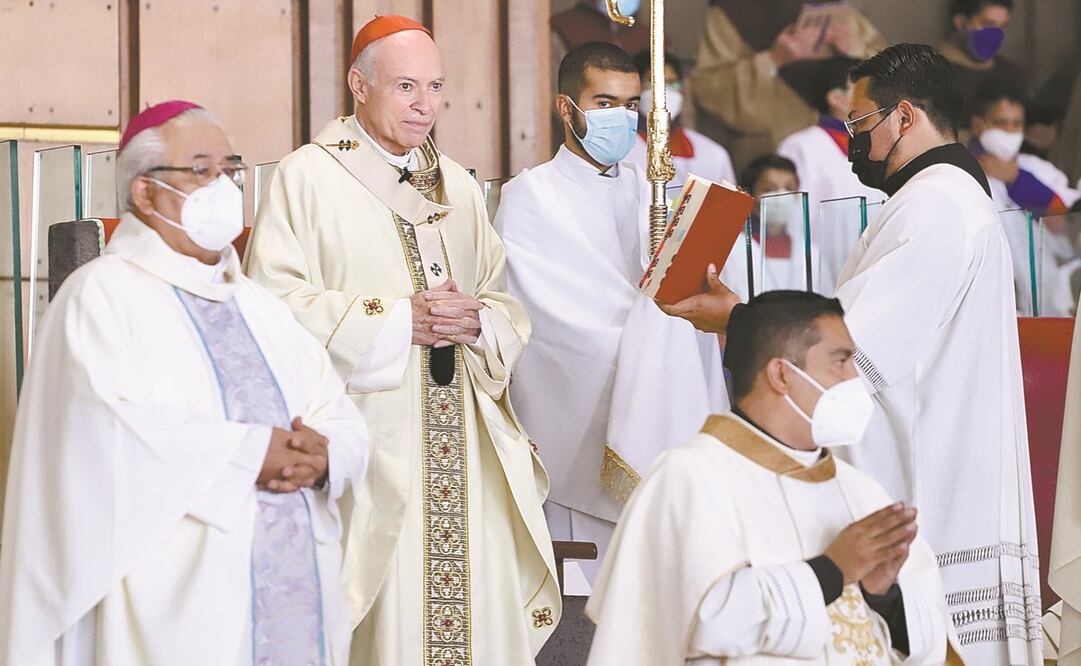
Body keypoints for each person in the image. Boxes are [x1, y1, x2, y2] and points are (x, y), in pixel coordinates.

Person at [658, 44, 1042, 664]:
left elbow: (847, 356)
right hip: (942, 457)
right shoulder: (940, 199)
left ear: (907, 117)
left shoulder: (937, 205)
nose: (851, 141)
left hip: (930, 483)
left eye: (860, 125)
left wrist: (736, 318)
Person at [0, 101, 370, 665]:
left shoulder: (258, 304)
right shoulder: (99, 296)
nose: (221, 187)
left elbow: (336, 410)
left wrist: (324, 456)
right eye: (200, 170)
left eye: (228, 169)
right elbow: (101, 434)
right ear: (145, 193)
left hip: (298, 605)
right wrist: (253, 452)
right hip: (181, 610)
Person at [243, 16, 560, 665]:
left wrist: (476, 322)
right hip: (372, 439)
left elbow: (502, 302)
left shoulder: (459, 187)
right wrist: (393, 322)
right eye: (406, 86)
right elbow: (269, 306)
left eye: (436, 87)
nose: (426, 105)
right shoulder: (309, 177)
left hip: (465, 447)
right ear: (358, 85)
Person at [586, 290, 954, 665]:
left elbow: (930, 644)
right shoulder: (689, 478)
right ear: (781, 374)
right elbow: (699, 621)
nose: (854, 378)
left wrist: (883, 596)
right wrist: (832, 570)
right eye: (840, 361)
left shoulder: (862, 492)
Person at [494, 42, 727, 585]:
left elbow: (670, 298)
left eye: (630, 104)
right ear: (565, 108)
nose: (621, 118)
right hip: (585, 420)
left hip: (658, 389)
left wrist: (696, 302)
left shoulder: (651, 192)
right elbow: (548, 322)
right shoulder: (530, 197)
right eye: (603, 102)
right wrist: (658, 325)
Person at [689, 0, 884, 171]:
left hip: (845, 148)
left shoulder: (832, 5)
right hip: (772, 148)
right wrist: (774, 59)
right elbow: (708, 90)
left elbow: (889, 69)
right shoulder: (730, 11)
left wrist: (854, 47)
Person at [969, 83, 1080, 315]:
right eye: (1001, 123)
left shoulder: (1039, 170)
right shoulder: (962, 176)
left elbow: (1068, 226)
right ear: (979, 126)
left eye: (1016, 124)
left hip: (1049, 304)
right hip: (990, 305)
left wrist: (1019, 182)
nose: (1009, 131)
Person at [778, 56, 884, 292]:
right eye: (866, 90)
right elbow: (794, 219)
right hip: (821, 279)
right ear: (836, 98)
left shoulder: (881, 145)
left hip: (875, 273)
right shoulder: (801, 146)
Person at [627, 50, 734, 188]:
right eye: (653, 82)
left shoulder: (714, 154)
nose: (663, 91)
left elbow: (729, 207)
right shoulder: (619, 151)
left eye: (672, 83)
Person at [718, 154, 815, 302]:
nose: (782, 195)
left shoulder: (810, 252)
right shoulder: (730, 251)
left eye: (789, 188)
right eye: (769, 188)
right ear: (749, 194)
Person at [936, 0, 1026, 131]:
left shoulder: (1012, 73)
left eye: (1002, 26)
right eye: (988, 24)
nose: (996, 34)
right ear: (960, 23)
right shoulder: (929, 73)